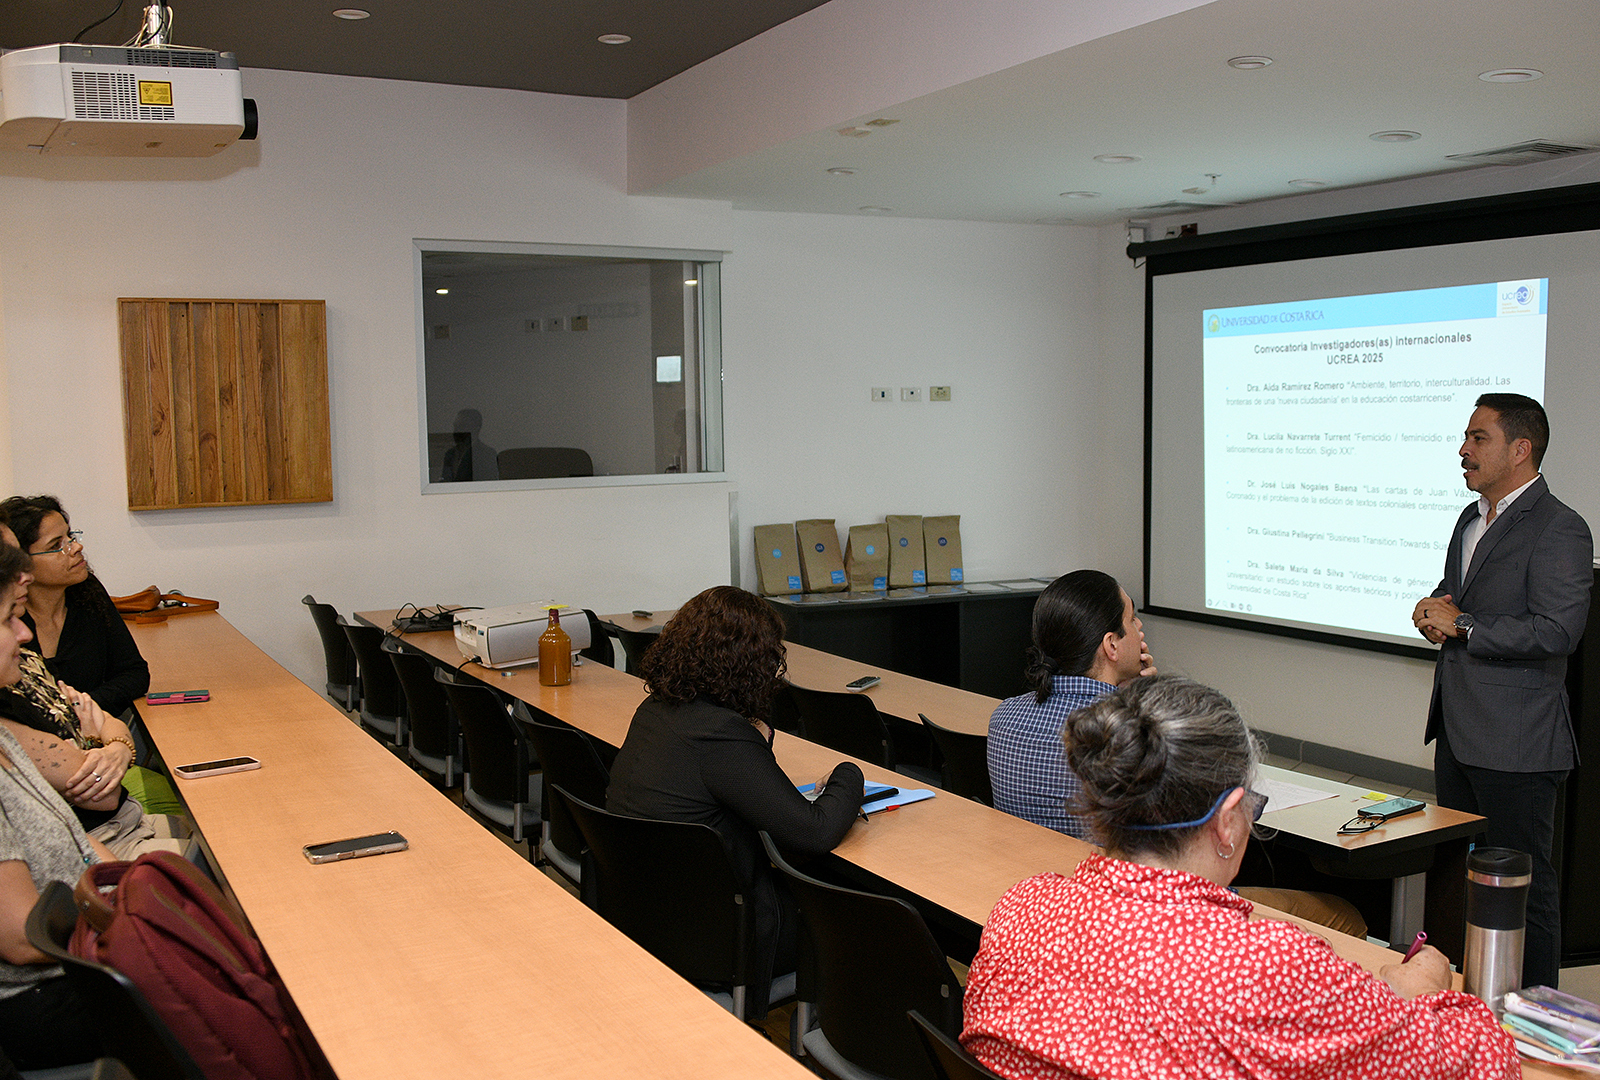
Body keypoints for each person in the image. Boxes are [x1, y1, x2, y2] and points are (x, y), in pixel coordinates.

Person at [961, 675, 1518, 1080]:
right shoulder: (1270, 966)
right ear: (1228, 821)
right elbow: (1488, 1061)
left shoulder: (1021, 907)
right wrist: (1414, 995)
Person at [605, 585, 864, 1019]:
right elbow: (815, 830)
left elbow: (738, 781)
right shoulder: (720, 736)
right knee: (857, 909)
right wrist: (849, 774)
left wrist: (756, 742)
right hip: (726, 935)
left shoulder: (656, 710)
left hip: (647, 911)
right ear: (748, 666)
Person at [1410, 392, 1592, 989]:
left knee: (1523, 890)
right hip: (1459, 732)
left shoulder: (1560, 527)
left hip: (1518, 743)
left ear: (1521, 449)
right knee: (1457, 879)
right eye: (1466, 437)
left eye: (1478, 438)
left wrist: (1460, 626)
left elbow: (1558, 629)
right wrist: (1436, 606)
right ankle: (1468, 1006)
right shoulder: (1469, 518)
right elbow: (1463, 595)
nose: (1463, 450)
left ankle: (1534, 1022)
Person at [0, 524, 182, 860]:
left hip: (123, 827)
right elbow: (104, 796)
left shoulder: (25, 661)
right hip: (111, 838)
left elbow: (111, 710)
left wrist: (115, 747)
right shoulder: (7, 707)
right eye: (57, 544)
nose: (76, 548)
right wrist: (99, 741)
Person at [0, 542, 112, 1071]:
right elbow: (24, 939)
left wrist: (141, 885)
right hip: (42, 1000)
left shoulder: (3, 734)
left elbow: (79, 839)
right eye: (8, 620)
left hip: (80, 963)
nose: (24, 636)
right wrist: (129, 923)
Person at [988, 570, 1153, 840]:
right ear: (1112, 644)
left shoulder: (1004, 716)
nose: (1139, 627)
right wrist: (1153, 702)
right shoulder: (1134, 732)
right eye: (1132, 619)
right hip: (1097, 881)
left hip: (1022, 877)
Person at [0, 496, 150, 717]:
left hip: (96, 730)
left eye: (70, 536)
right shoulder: (7, 619)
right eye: (56, 545)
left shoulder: (86, 591)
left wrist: (81, 708)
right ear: (20, 563)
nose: (76, 546)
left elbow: (134, 673)